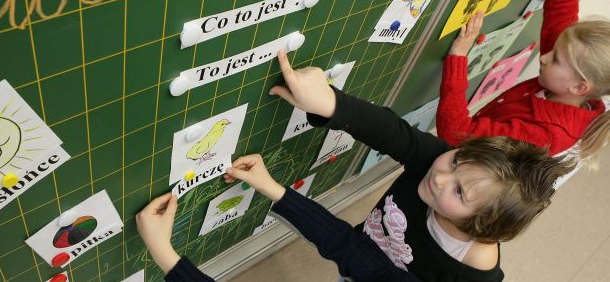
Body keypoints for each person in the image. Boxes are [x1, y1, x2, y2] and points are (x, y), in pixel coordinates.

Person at [137, 51, 575, 281]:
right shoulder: (442, 170)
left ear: (479, 225)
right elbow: (393, 133)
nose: (441, 175)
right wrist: (327, 101)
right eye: (456, 160)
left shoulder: (461, 272)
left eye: (460, 192)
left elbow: (351, 253)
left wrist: (167, 257)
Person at [437, 0, 610, 159]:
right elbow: (561, 17)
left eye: (555, 58)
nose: (544, 57)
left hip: (459, 167)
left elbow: (457, 134)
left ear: (579, 87)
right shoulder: (571, 79)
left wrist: (458, 59)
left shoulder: (546, 135)